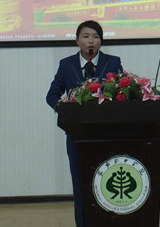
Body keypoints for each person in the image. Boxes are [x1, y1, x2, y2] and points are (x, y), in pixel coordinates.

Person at [46, 20, 123, 227]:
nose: (91, 41)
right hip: (77, 136)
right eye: (86, 36)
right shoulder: (66, 65)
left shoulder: (113, 62)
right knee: (81, 187)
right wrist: (66, 111)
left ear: (101, 41)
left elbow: (122, 93)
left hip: (106, 136)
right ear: (77, 40)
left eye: (96, 37)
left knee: (106, 184)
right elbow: (52, 95)